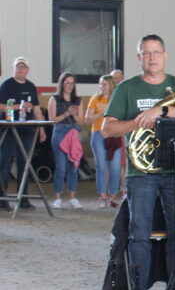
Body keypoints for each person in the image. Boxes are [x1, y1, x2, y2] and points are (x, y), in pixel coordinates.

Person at [102, 34, 175, 290]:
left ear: (165, 55)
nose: (152, 57)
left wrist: (163, 110)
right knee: (139, 233)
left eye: (156, 52)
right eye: (146, 53)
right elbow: (108, 129)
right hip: (141, 172)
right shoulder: (126, 89)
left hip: (174, 168)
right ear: (139, 58)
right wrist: (138, 123)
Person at [0, 56, 45, 211]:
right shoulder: (6, 85)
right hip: (8, 129)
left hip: (26, 130)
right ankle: (2, 199)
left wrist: (42, 128)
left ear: (28, 70)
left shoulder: (31, 86)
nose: (20, 69)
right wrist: (18, 106)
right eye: (18, 67)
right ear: (13, 69)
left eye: (23, 67)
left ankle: (23, 198)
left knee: (24, 163)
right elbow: (1, 106)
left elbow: (37, 108)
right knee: (5, 162)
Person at [47, 72, 85, 209]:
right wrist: (67, 113)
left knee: (73, 167)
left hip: (73, 132)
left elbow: (82, 122)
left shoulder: (78, 100)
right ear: (61, 84)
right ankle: (57, 197)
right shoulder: (55, 99)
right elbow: (52, 120)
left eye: (71, 83)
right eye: (67, 82)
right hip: (59, 132)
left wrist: (74, 115)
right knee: (61, 167)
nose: (69, 85)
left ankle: (72, 197)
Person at [85, 75, 121, 207]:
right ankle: (102, 195)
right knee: (101, 165)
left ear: (111, 85)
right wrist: (102, 113)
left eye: (104, 84)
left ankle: (112, 195)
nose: (101, 87)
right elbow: (87, 120)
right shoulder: (95, 99)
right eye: (100, 84)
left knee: (115, 167)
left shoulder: (117, 99)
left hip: (113, 134)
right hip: (98, 133)